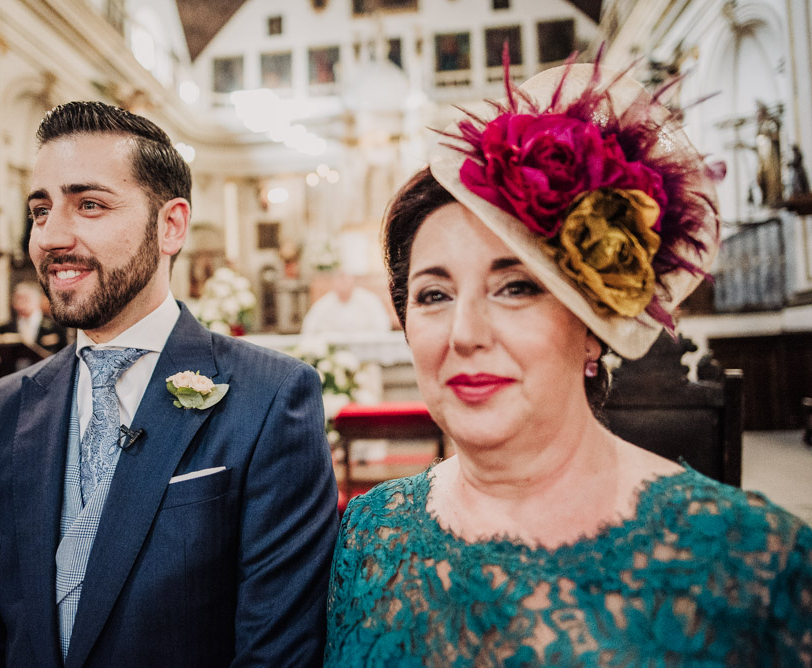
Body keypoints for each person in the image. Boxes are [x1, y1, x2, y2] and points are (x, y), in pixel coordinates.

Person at [326, 60, 812, 664]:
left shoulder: (756, 562)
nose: (465, 334)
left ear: (593, 327)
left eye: (516, 287)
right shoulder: (367, 533)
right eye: (433, 295)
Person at [0, 101, 338, 666]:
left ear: (170, 225)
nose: (50, 236)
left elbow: (276, 648)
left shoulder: (271, 398)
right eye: (40, 210)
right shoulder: (7, 407)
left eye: (90, 204)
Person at [301, 270, 393, 336]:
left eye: (345, 281)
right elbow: (309, 328)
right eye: (340, 282)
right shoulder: (324, 303)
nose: (343, 285)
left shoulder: (369, 300)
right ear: (334, 284)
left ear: (353, 282)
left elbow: (383, 325)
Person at [0, 280, 67, 353]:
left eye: (25, 299)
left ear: (37, 300)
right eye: (18, 299)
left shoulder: (54, 327)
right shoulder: (6, 328)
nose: (20, 303)